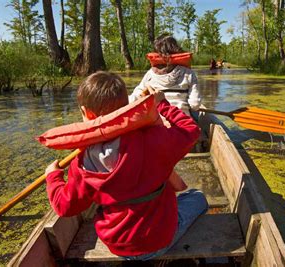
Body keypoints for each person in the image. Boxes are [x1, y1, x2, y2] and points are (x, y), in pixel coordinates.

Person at [44, 71, 208, 260]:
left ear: (86, 113)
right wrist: (161, 103)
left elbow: (63, 207)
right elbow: (190, 130)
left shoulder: (82, 164)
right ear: (126, 106)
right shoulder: (154, 140)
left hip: (118, 245)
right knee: (197, 197)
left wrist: (53, 176)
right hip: (158, 241)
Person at [130, 34, 201, 116]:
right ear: (176, 50)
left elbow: (134, 98)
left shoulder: (150, 74)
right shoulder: (188, 73)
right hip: (182, 121)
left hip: (158, 123)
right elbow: (195, 104)